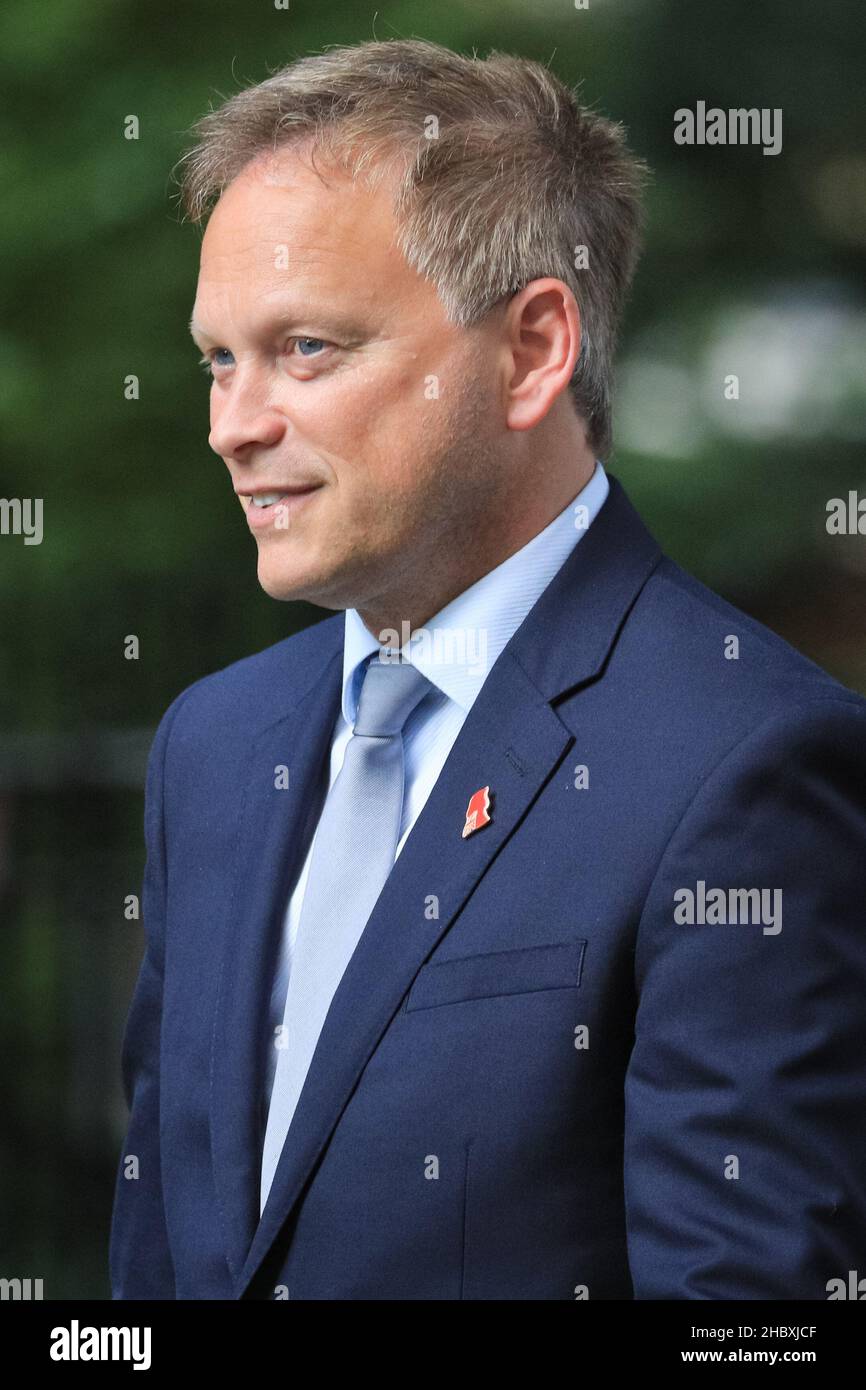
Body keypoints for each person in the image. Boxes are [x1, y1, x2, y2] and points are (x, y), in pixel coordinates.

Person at [109, 38, 866, 1300]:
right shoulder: (214, 742)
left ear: (531, 350)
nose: (231, 425)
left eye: (304, 350)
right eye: (217, 359)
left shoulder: (747, 764)